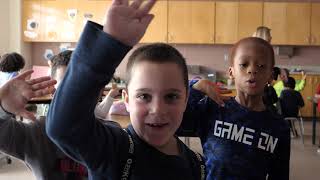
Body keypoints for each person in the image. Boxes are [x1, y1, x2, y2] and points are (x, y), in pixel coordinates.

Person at [46, 0, 205, 179]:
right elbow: (64, 127)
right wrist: (108, 45)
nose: (158, 109)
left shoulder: (198, 166)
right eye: (144, 96)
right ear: (127, 100)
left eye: (171, 96)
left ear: (186, 99)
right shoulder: (112, 150)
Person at [179, 37, 290, 179]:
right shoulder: (215, 108)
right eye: (244, 64)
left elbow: (280, 175)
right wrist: (195, 87)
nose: (252, 70)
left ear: (270, 75)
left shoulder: (278, 127)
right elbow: (175, 123)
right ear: (231, 72)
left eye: (261, 66)